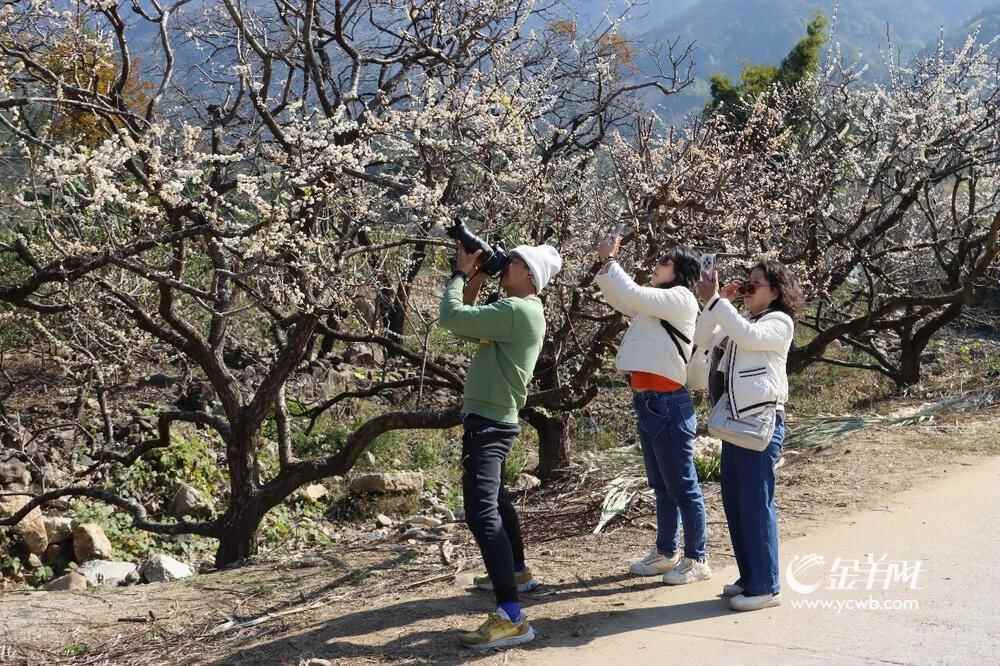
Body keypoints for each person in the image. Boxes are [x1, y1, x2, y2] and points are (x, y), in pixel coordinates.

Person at [439, 240, 562, 650]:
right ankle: (518, 572)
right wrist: (477, 274)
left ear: (529, 274)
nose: (505, 263)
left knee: (481, 512)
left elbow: (450, 316)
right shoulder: (519, 310)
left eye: (512, 261)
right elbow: (464, 321)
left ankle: (511, 615)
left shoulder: (516, 311)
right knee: (498, 501)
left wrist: (459, 273)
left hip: (489, 422)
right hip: (494, 418)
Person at [594, 234, 711, 585]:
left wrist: (611, 259)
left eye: (664, 261)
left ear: (678, 271)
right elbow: (621, 298)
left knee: (683, 486)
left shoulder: (679, 297)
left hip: (666, 404)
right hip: (650, 402)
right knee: (662, 485)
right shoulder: (661, 302)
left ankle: (697, 558)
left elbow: (630, 295)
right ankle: (665, 551)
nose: (656, 265)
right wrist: (605, 266)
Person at [694, 259, 805, 611]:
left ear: (775, 291)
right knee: (737, 504)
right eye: (746, 283)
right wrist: (715, 305)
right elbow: (701, 339)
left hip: (761, 423)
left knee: (756, 505)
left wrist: (719, 303)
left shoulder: (779, 322)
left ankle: (765, 586)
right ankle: (750, 575)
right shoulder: (742, 320)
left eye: (754, 284)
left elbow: (749, 338)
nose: (747, 289)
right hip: (738, 423)